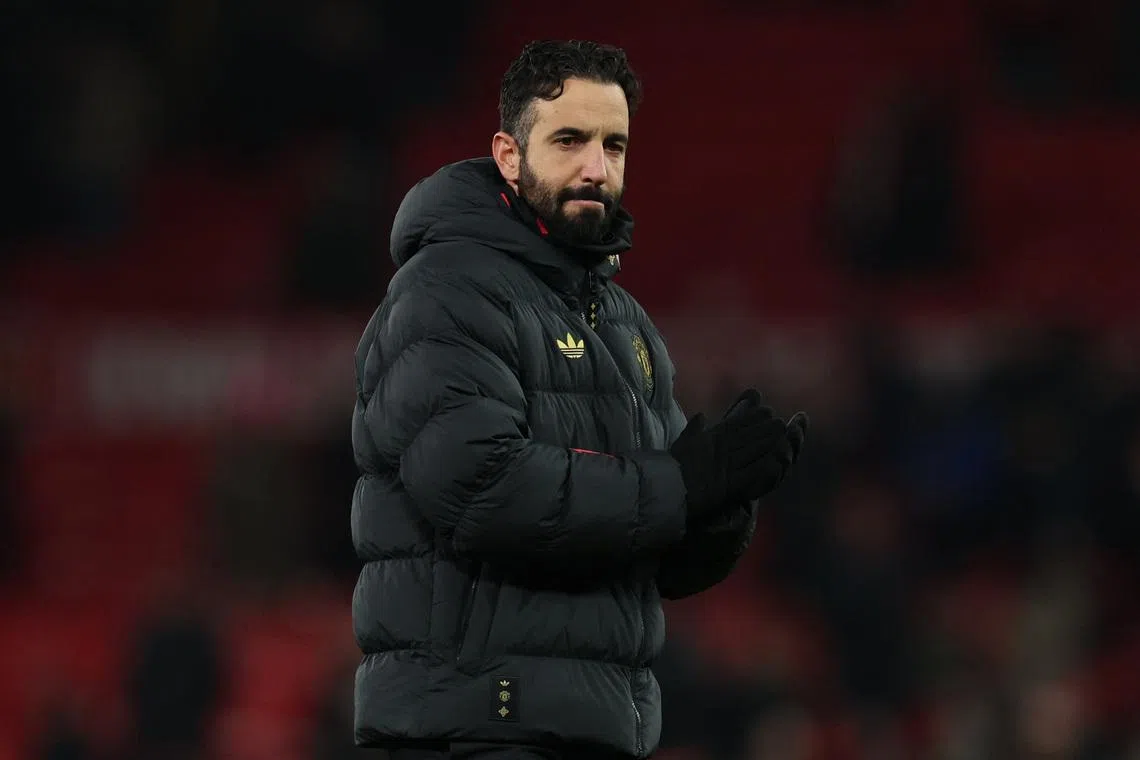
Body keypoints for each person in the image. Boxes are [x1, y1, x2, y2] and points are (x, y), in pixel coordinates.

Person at [351, 40, 810, 760]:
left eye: (613, 145)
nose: (596, 167)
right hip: (476, 727)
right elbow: (484, 492)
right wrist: (681, 484)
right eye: (569, 140)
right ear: (508, 155)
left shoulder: (625, 323)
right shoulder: (447, 290)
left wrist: (722, 500)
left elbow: (656, 555)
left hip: (594, 728)